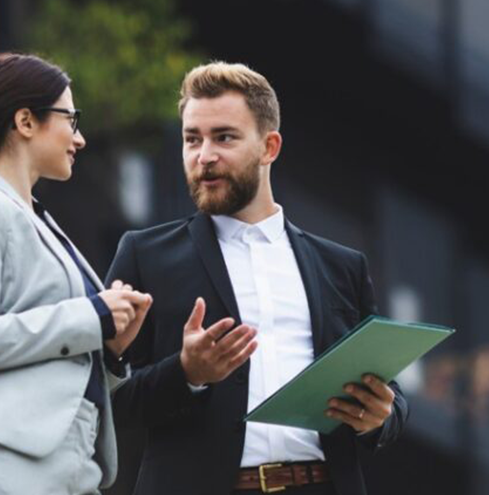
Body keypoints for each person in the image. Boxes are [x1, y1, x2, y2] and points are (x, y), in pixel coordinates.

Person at [107, 61, 407, 495]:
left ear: (270, 146)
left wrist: (382, 415)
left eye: (224, 137)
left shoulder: (342, 267)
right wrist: (186, 373)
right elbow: (105, 400)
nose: (204, 155)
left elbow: (388, 391)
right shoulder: (144, 255)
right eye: (192, 139)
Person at [0, 53, 152, 495]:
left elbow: (56, 376)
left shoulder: (43, 224)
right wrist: (91, 317)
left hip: (68, 474)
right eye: (71, 118)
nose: (80, 139)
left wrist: (108, 349)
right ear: (25, 121)